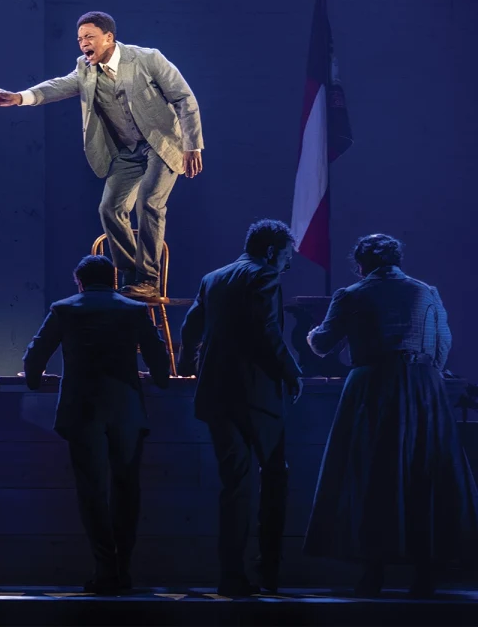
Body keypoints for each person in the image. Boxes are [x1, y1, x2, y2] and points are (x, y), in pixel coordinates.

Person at [0, 11, 203, 299]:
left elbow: (183, 97)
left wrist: (192, 145)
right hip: (127, 150)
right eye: (79, 39)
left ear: (109, 38)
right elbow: (59, 86)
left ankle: (148, 279)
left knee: (149, 202)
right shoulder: (85, 68)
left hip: (162, 144)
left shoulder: (147, 58)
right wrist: (19, 97)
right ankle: (129, 277)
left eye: (89, 37)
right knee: (109, 208)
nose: (83, 43)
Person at [303, 234, 478, 598]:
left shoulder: (351, 294)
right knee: (425, 472)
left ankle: (373, 572)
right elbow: (442, 346)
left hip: (374, 387)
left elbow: (322, 345)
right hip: (423, 387)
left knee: (372, 474)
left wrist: (310, 334)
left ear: (362, 263)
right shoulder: (426, 292)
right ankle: (425, 573)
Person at [23, 255, 169, 594]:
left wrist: (33, 380)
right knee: (126, 489)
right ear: (113, 279)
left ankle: (104, 569)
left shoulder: (65, 309)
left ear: (80, 282)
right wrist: (159, 379)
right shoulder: (134, 309)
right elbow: (157, 356)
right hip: (127, 408)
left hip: (82, 408)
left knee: (92, 491)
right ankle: (124, 569)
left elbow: (35, 354)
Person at [178, 220, 303, 597]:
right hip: (259, 396)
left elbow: (190, 326)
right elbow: (267, 331)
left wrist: (186, 366)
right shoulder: (264, 276)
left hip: (216, 394)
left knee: (235, 486)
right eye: (286, 256)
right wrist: (292, 372)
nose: (287, 265)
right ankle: (269, 569)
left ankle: (231, 576)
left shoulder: (213, 278)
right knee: (275, 477)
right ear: (270, 252)